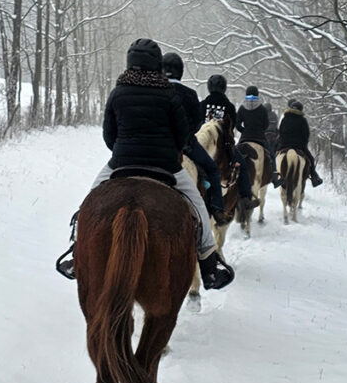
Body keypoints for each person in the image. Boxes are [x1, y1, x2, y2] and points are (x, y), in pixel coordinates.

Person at [56, 38, 234, 290]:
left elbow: (109, 135)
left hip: (121, 163)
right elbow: (184, 135)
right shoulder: (169, 94)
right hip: (166, 165)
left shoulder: (117, 92)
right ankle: (208, 264)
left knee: (88, 203)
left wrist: (124, 150)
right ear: (155, 64)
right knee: (199, 208)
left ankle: (76, 250)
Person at [162, 51, 226, 224]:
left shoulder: (155, 90)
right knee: (212, 170)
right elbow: (198, 123)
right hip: (186, 145)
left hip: (158, 144)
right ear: (180, 71)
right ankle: (217, 209)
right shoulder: (189, 93)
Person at [199, 74, 258, 210]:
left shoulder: (202, 104)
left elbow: (197, 124)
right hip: (224, 148)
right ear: (224, 88)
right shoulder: (229, 106)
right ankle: (245, 198)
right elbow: (231, 128)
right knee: (242, 167)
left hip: (202, 145)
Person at [237, 85, 280, 186]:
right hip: (259, 138)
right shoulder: (262, 109)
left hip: (245, 137)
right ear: (257, 95)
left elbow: (237, 124)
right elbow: (266, 124)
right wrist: (260, 131)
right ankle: (274, 177)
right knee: (272, 156)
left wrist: (244, 130)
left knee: (235, 154)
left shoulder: (242, 108)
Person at [277, 98, 323, 187]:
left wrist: (283, 142)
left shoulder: (285, 118)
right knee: (311, 159)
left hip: (285, 144)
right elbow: (306, 135)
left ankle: (274, 174)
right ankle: (314, 177)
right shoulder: (303, 120)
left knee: (274, 156)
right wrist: (303, 144)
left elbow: (281, 132)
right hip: (299, 146)